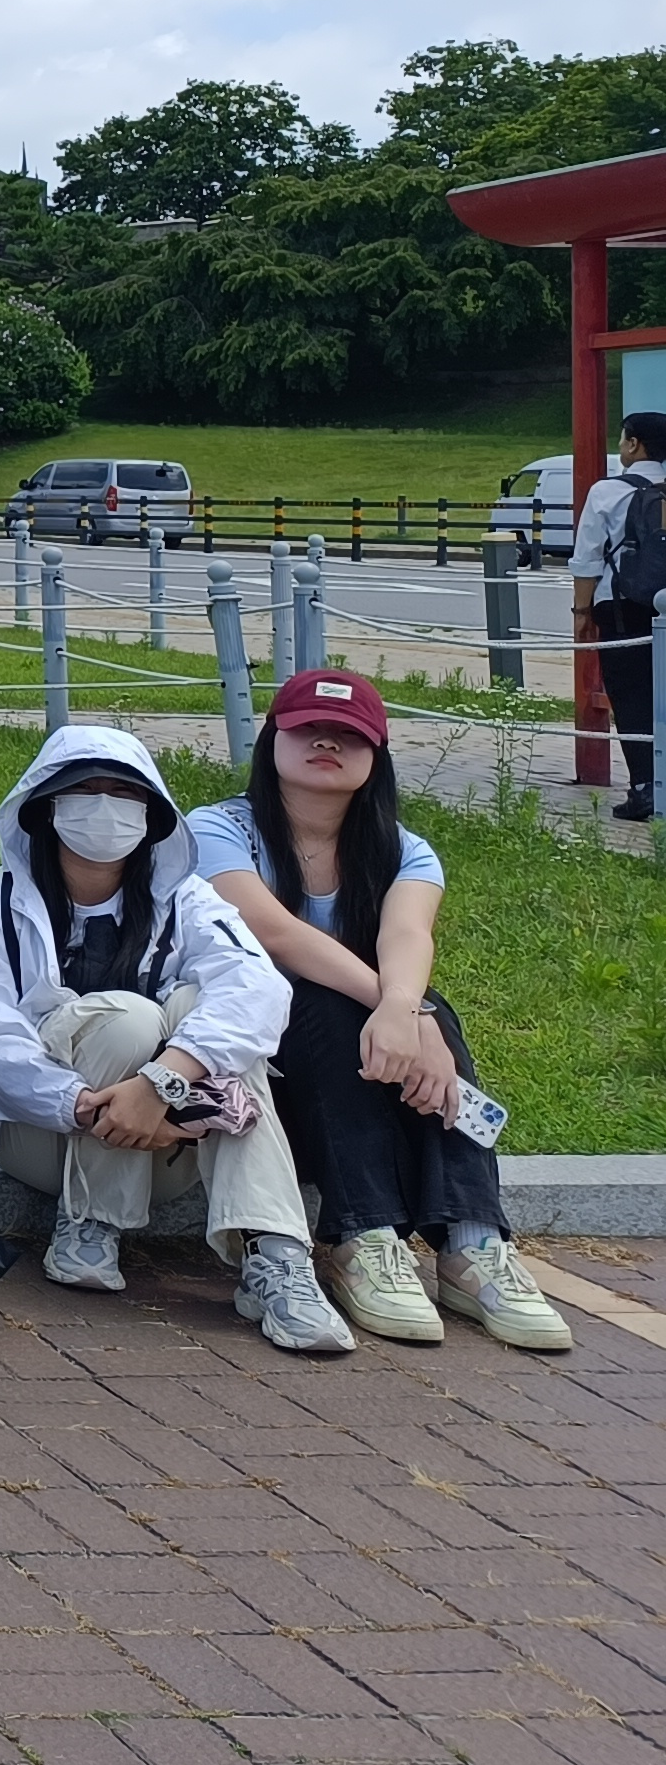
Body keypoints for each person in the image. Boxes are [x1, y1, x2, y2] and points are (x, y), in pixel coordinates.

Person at [0, 723, 351, 1356]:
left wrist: (162, 1083)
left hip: (167, 1140)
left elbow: (259, 988)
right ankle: (90, 1220)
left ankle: (276, 1258)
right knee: (129, 1016)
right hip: (37, 1135)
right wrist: (81, 1104)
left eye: (125, 793)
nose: (105, 807)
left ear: (153, 815)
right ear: (45, 808)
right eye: (85, 791)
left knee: (210, 1016)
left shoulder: (187, 900)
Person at [191, 671, 569, 1352]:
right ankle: (362, 1237)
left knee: (425, 1007)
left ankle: (473, 1245)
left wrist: (411, 1011)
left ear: (377, 755)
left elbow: (408, 936)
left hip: (360, 1075)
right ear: (273, 738)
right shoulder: (218, 829)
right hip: (258, 1082)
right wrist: (407, 1015)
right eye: (308, 728)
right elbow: (274, 935)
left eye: (349, 735)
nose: (327, 742)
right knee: (327, 999)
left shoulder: (403, 850)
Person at [571, 409, 662, 823]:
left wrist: (581, 611)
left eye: (624, 438)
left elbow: (587, 558)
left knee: (629, 695)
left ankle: (645, 788)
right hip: (663, 603)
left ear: (634, 444)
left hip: (621, 607)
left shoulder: (607, 492)